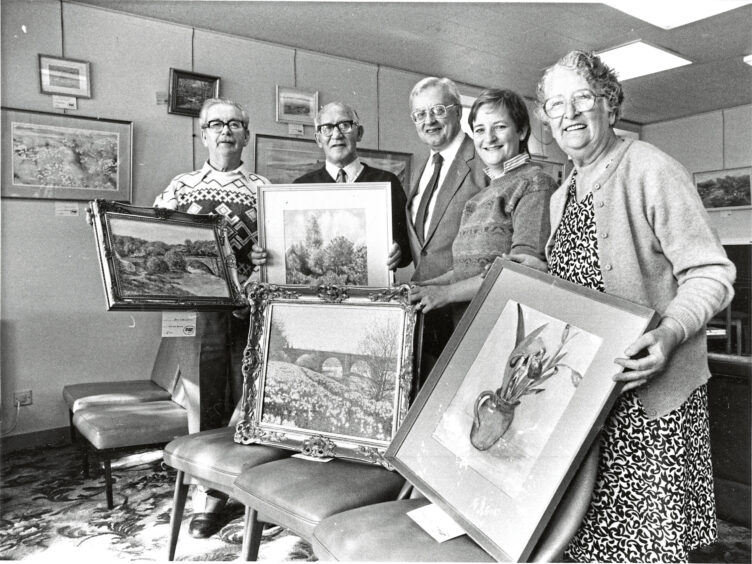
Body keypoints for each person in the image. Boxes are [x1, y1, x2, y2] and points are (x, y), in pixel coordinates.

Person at [532, 50, 736, 562]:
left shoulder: (650, 167)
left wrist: (667, 335)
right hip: (591, 397)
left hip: (651, 395)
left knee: (645, 544)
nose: (570, 114)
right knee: (588, 533)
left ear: (610, 104)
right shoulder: (564, 193)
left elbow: (711, 272)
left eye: (583, 98)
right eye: (556, 105)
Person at [153, 97, 269, 539]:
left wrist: (265, 256)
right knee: (204, 399)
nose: (226, 131)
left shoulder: (264, 188)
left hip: (251, 308)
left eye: (235, 124)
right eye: (216, 124)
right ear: (202, 134)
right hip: (197, 312)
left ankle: (240, 484)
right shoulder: (181, 187)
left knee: (248, 395)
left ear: (246, 134)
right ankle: (207, 493)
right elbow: (161, 237)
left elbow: (279, 250)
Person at [409, 88, 556, 321]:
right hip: (464, 326)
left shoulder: (535, 184)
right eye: (480, 130)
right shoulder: (479, 197)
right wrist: (420, 287)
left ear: (522, 131)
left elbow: (521, 272)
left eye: (499, 127)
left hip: (503, 326)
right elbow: (465, 272)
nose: (489, 138)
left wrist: (446, 293)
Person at [405, 77, 487, 384]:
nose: (429, 121)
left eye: (438, 110)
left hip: (468, 310)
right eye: (420, 114)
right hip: (427, 317)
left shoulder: (482, 159)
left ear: (457, 111)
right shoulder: (423, 168)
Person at [293, 101, 412, 270]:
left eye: (344, 125)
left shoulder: (387, 182)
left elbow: (408, 247)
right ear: (318, 139)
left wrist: (399, 250)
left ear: (359, 133)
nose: (336, 134)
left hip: (374, 290)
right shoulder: (301, 187)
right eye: (327, 127)